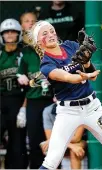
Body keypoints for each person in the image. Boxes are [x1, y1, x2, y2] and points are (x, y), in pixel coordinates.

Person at [24, 20, 102, 169]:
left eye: (52, 31)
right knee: (52, 161)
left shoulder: (71, 46)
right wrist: (82, 76)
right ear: (39, 42)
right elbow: (68, 77)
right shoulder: (46, 64)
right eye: (44, 33)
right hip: (68, 112)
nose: (51, 34)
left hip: (93, 107)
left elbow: (93, 74)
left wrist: (86, 63)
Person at [17, 12, 54, 169]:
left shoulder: (52, 50)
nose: (31, 24)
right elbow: (20, 73)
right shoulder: (26, 54)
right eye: (27, 22)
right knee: (34, 139)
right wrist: (20, 77)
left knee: (53, 140)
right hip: (33, 101)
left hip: (51, 100)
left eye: (34, 22)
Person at [0, 18, 28, 169]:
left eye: (13, 32)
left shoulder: (24, 54)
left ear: (18, 34)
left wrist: (23, 109)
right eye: (6, 32)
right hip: (2, 100)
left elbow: (31, 85)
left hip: (18, 101)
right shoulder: (0, 55)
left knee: (17, 143)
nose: (10, 35)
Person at [40, 101, 87, 169]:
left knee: (75, 151)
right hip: (66, 142)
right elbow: (49, 138)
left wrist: (54, 139)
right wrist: (71, 146)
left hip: (82, 140)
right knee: (49, 149)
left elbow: (77, 138)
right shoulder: (48, 110)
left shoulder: (79, 109)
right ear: (54, 98)